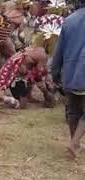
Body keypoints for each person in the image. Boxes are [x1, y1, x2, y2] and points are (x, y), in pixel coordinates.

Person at [51, 1, 85, 158]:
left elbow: (59, 50)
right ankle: (74, 143)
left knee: (73, 110)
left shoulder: (70, 20)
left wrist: (55, 73)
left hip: (70, 73)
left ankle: (74, 142)